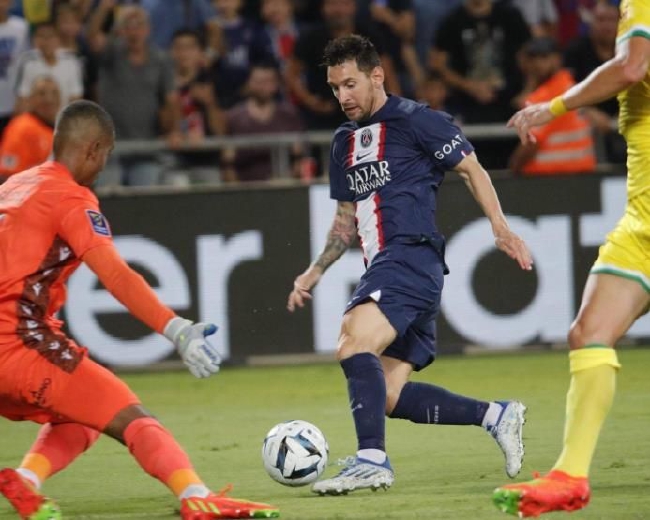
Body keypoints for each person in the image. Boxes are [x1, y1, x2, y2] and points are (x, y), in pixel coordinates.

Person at [0, 100, 279, 520]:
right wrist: (176, 328)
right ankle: (195, 495)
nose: (103, 167)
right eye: (106, 155)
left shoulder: (14, 185)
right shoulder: (71, 198)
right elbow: (116, 274)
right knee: (131, 416)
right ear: (94, 149)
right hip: (18, 346)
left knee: (82, 416)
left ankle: (25, 480)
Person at [286, 34, 533, 496]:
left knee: (353, 339)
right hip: (391, 266)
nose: (343, 96)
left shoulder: (418, 120)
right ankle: (495, 415)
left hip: (410, 256)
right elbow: (345, 220)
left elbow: (472, 169)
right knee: (387, 394)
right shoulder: (342, 142)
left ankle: (372, 461)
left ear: (377, 76)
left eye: (351, 84)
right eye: (335, 87)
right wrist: (314, 272)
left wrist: (501, 228)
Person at [492, 0, 650, 516]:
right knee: (589, 333)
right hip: (641, 221)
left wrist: (555, 106)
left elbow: (632, 66)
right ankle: (570, 476)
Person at [87, 2, 183, 186]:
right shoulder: (111, 52)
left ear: (148, 29)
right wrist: (104, 8)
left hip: (146, 146)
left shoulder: (160, 59)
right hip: (110, 147)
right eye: (128, 25)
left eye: (139, 25)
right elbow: (92, 37)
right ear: (121, 30)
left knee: (143, 199)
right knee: (109, 199)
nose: (134, 31)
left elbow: (171, 99)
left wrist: (174, 130)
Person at [508, 37, 596, 175]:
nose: (538, 64)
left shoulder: (549, 95)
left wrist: (514, 166)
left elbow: (531, 143)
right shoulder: (569, 85)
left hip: (552, 175)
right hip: (578, 172)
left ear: (558, 59)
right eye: (533, 58)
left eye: (544, 57)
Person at [222, 61, 305, 182]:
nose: (262, 87)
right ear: (249, 83)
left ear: (276, 84)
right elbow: (228, 161)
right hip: (245, 186)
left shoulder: (289, 115)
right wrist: (237, 189)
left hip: (282, 184)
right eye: (258, 81)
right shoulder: (235, 117)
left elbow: (299, 157)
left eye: (268, 81)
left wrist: (288, 182)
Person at [14, 21, 83, 112]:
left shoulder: (71, 62)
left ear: (59, 39)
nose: (46, 41)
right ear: (34, 40)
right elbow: (23, 99)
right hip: (36, 118)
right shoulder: (28, 63)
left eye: (50, 36)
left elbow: (76, 98)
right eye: (41, 36)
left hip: (63, 117)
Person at [0, 76, 60, 179]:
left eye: (54, 93)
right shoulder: (22, 128)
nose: (49, 99)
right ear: (30, 100)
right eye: (41, 94)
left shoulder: (57, 130)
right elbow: (6, 176)